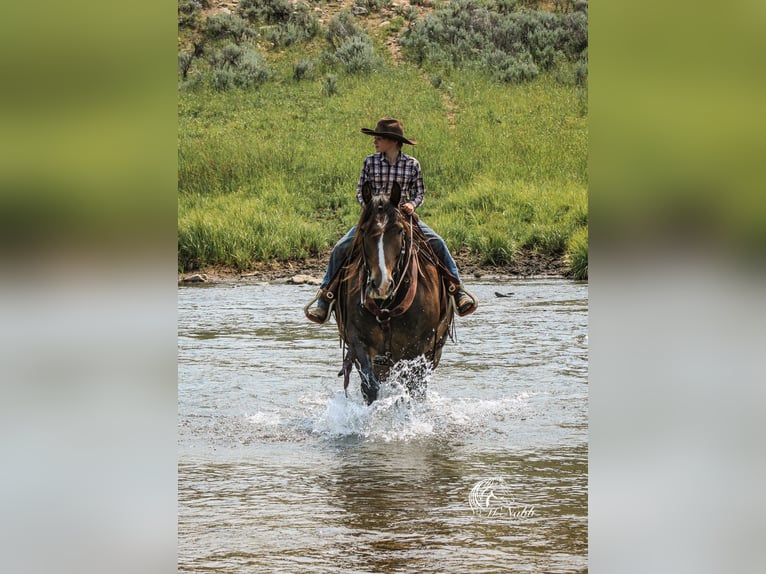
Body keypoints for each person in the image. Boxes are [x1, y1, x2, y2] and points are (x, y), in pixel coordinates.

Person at [306, 118, 476, 323]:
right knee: (341, 248)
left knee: (438, 243)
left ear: (393, 141)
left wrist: (412, 204)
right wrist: (369, 208)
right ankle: (324, 300)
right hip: (373, 219)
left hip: (402, 220)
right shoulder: (370, 162)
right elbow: (361, 192)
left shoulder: (412, 165)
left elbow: (419, 193)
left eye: (379, 138)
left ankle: (457, 291)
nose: (374, 142)